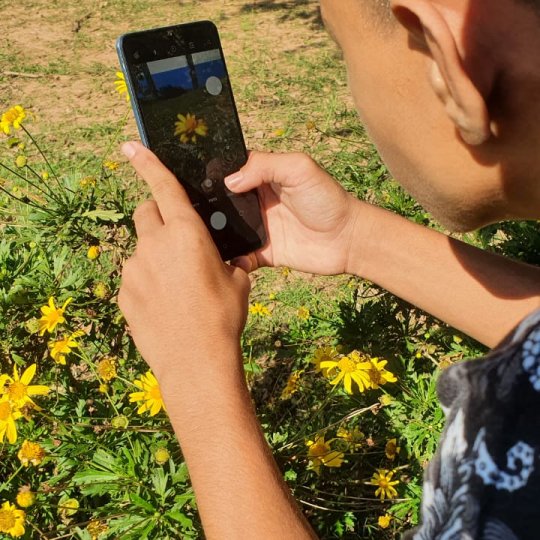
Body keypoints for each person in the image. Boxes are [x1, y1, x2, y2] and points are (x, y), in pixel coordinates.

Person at [117, 0, 540, 537]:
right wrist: (355, 238)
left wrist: (196, 375)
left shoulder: (516, 461)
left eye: (343, 51)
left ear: (445, 56)